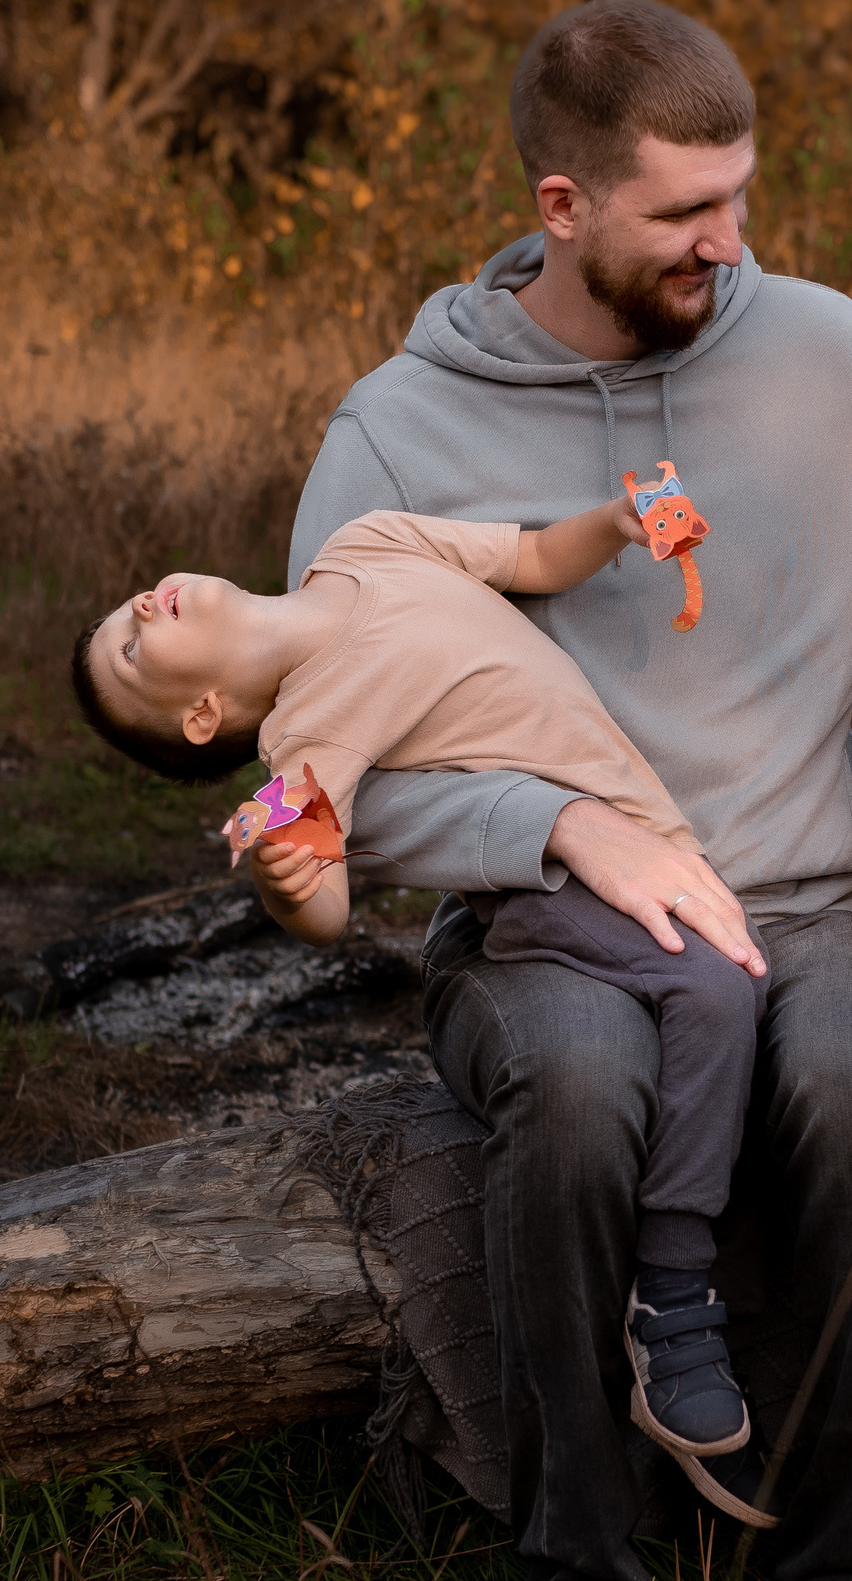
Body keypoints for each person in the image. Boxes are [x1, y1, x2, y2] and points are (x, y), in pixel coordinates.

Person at [285, 0, 852, 1581]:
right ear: (564, 201)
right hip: (543, 925)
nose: (728, 245)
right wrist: (565, 831)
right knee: (584, 1089)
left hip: (809, 896)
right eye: (685, 212)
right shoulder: (397, 431)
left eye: (742, 198)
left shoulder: (830, 355)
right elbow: (320, 769)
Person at [67, 502, 779, 1503]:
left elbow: (530, 555)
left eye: (126, 608)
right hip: (547, 883)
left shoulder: (363, 543)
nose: (142, 607)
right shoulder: (305, 734)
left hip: (634, 828)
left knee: (734, 990)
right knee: (715, 983)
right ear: (202, 714)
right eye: (135, 646)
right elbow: (327, 904)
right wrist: (281, 876)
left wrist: (615, 522)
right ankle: (670, 1295)